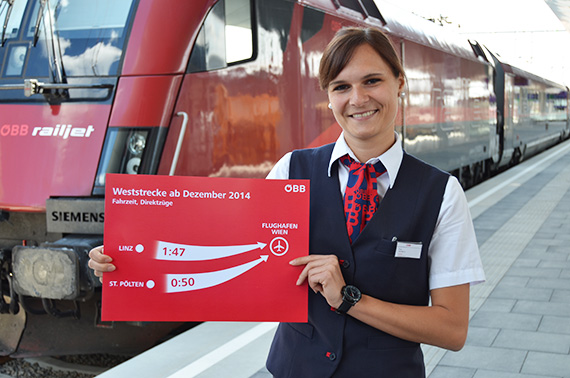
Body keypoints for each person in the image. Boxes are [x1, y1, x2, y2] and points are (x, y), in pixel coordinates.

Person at [89, 26, 485, 377]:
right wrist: (130, 260)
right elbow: (224, 252)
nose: (358, 98)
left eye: (373, 81)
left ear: (400, 83)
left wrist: (350, 299)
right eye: (341, 87)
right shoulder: (291, 171)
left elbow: (451, 330)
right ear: (328, 98)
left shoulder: (441, 194)